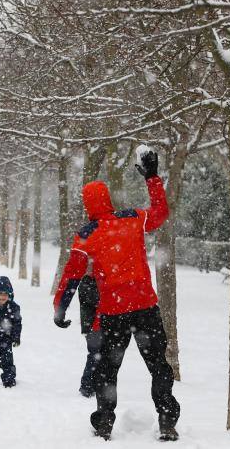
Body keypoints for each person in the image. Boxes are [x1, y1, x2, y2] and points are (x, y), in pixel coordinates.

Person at [53, 149, 180, 441]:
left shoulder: (87, 234)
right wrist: (152, 178)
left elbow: (72, 274)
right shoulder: (133, 218)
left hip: (114, 311)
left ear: (87, 206)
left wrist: (60, 308)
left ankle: (104, 422)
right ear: (108, 200)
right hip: (146, 305)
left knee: (107, 370)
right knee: (159, 365)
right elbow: (161, 213)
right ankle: (166, 419)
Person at [53, 267, 102, 397]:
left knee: (101, 356)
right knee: (95, 355)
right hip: (93, 327)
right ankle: (87, 387)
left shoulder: (100, 281)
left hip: (99, 325)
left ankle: (95, 385)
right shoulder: (88, 282)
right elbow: (94, 301)